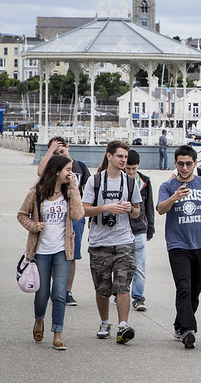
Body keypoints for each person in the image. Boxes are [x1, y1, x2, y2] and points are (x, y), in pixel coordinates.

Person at [156, 144, 201, 349]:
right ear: (175, 164)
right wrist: (175, 197)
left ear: (195, 164)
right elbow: (160, 209)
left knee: (195, 291)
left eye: (188, 163)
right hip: (177, 246)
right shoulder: (167, 187)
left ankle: (179, 324)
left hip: (200, 245)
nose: (184, 168)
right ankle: (188, 330)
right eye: (180, 164)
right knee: (183, 287)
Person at [17, 154, 84, 350]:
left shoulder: (69, 192)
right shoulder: (37, 192)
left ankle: (57, 333)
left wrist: (73, 188)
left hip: (63, 250)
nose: (70, 173)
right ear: (56, 171)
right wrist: (33, 225)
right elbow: (21, 215)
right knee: (42, 292)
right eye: (67, 170)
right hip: (41, 250)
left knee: (59, 293)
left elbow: (78, 214)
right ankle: (39, 319)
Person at [81, 140, 142, 344]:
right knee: (102, 287)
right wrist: (106, 208)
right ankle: (105, 322)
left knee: (123, 283)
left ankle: (123, 325)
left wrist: (128, 210)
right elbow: (83, 209)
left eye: (126, 157)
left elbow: (137, 212)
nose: (124, 160)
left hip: (124, 240)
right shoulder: (95, 181)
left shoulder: (131, 182)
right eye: (120, 156)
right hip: (99, 242)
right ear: (109, 156)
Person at [37, 136, 91, 306]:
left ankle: (66, 290)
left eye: (63, 150)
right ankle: (58, 288)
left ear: (68, 147)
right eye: (57, 153)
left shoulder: (80, 166)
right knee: (55, 253)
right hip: (55, 216)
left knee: (71, 254)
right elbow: (40, 172)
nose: (61, 154)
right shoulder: (53, 169)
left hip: (74, 216)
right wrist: (50, 152)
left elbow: (89, 189)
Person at [125, 149, 155, 312]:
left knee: (139, 265)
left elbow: (149, 205)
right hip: (121, 230)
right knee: (123, 265)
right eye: (128, 168)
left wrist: (150, 229)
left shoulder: (145, 181)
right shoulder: (119, 180)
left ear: (138, 166)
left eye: (134, 168)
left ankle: (138, 297)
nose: (130, 172)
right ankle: (121, 293)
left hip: (140, 228)